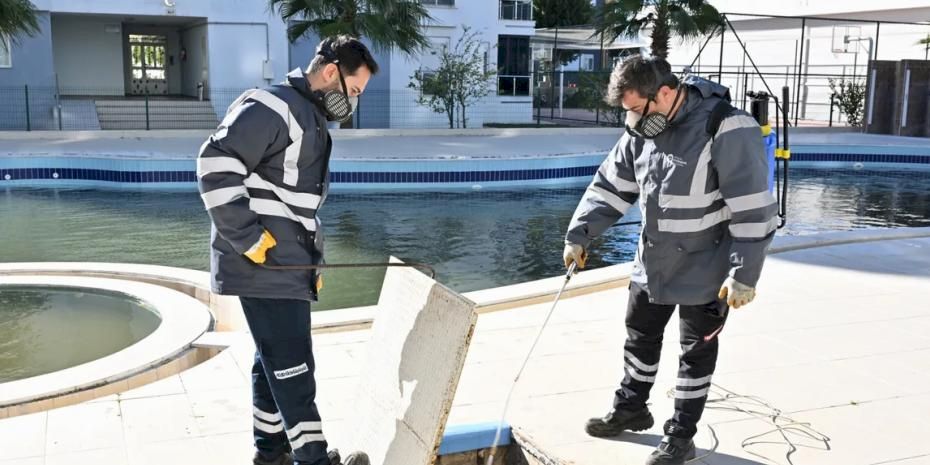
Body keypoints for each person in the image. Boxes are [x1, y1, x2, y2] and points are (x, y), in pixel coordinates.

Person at [563, 56, 776, 465]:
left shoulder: (727, 127)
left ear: (664, 92)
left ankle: (681, 436)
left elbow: (753, 209)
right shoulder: (642, 128)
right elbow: (610, 187)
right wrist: (579, 234)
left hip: (709, 267)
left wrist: (744, 275)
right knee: (639, 337)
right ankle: (631, 408)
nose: (633, 119)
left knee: (694, 354)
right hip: (653, 261)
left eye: (637, 108)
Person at [197, 35, 378, 465]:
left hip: (284, 266)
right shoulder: (273, 105)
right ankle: (312, 459)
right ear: (331, 73)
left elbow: (295, 206)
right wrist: (248, 238)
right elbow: (214, 162)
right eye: (353, 92)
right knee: (294, 368)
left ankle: (270, 455)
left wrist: (310, 264)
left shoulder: (308, 114)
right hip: (264, 266)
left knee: (271, 361)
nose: (352, 104)